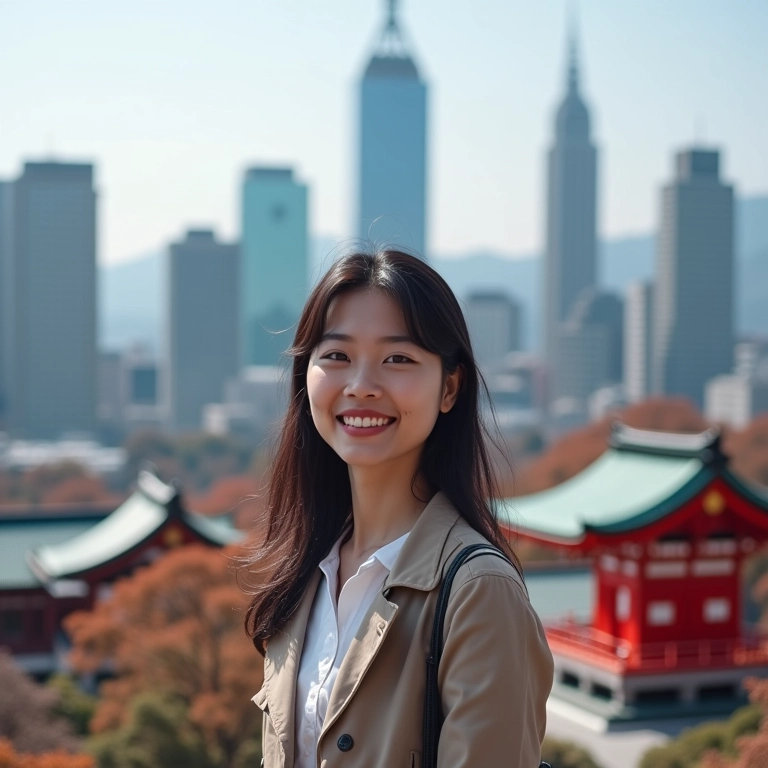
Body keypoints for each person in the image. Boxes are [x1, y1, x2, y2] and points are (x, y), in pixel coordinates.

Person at [246, 249, 554, 768]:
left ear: (449, 387)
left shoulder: (478, 591)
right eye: (337, 356)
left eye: (398, 359)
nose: (361, 385)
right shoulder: (302, 573)